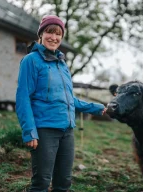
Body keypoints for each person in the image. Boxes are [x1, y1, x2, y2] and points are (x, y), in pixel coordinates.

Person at [16, 15, 106, 192]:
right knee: (41, 182)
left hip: (67, 131)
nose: (54, 37)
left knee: (64, 182)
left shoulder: (62, 64)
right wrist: (29, 131)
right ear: (41, 34)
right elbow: (23, 97)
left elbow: (69, 100)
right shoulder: (31, 61)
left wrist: (96, 108)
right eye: (49, 32)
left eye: (58, 34)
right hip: (44, 131)